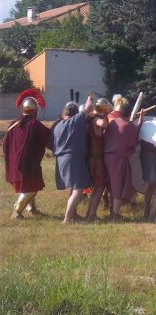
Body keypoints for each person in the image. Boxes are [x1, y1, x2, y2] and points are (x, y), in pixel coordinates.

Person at [3, 89, 50, 219]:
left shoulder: (14, 124)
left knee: (30, 185)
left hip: (15, 163)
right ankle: (16, 212)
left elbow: (5, 144)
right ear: (35, 110)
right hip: (27, 164)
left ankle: (32, 209)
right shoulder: (35, 124)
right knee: (31, 188)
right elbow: (48, 136)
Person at [51, 95, 94, 223]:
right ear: (75, 112)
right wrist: (90, 97)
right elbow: (88, 107)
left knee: (74, 188)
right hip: (72, 158)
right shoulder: (76, 120)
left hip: (60, 159)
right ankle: (67, 218)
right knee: (79, 191)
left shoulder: (58, 125)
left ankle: (73, 215)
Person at [104, 101, 144, 219]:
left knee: (112, 185)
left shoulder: (113, 123)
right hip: (117, 158)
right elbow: (133, 140)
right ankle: (115, 214)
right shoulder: (129, 125)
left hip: (108, 157)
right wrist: (139, 123)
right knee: (117, 186)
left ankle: (112, 210)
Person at [85, 98, 110, 220]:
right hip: (96, 160)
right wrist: (110, 118)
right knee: (99, 187)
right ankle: (91, 214)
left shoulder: (89, 119)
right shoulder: (96, 119)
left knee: (95, 188)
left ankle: (90, 212)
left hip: (91, 158)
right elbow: (104, 124)